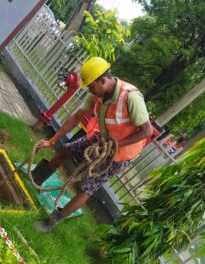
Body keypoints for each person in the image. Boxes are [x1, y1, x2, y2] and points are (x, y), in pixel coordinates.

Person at [32, 57, 153, 232]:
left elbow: (147, 131)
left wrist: (115, 145)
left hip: (120, 153)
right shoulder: (98, 93)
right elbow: (76, 117)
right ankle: (37, 178)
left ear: (102, 80)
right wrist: (53, 139)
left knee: (87, 187)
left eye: (91, 86)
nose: (90, 90)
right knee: (66, 150)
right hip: (102, 137)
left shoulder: (131, 97)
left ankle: (50, 222)